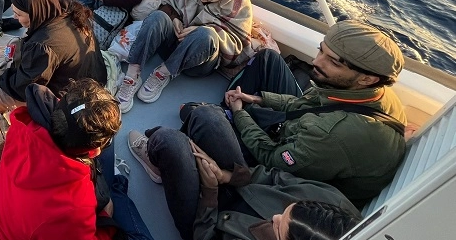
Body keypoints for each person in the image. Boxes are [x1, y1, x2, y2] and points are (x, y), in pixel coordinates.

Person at [128, 20, 407, 210]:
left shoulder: (335, 135)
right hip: (303, 136)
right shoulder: (370, 94)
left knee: (202, 116)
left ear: (367, 78)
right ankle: (220, 119)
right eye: (321, 51)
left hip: (285, 182)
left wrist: (240, 115)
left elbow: (272, 161)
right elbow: (308, 104)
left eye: (332, 62)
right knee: (268, 59)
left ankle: (167, 156)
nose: (316, 62)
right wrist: (258, 98)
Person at [0, 78, 163, 240]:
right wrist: (106, 218)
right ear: (94, 152)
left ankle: (112, 187)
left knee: (104, 142)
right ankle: (116, 191)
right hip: (51, 237)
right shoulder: (71, 210)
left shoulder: (23, 127)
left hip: (25, 220)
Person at [133, 128, 361, 240]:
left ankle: (164, 160)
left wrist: (210, 193)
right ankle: (182, 153)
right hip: (240, 186)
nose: (275, 216)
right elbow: (275, 177)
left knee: (169, 141)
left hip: (206, 221)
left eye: (279, 226)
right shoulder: (334, 203)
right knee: (209, 117)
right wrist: (226, 176)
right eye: (285, 211)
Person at [117, 0, 253, 112]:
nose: (201, 0)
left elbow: (236, 47)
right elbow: (166, 3)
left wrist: (205, 29)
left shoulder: (240, 6)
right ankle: (133, 74)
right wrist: (174, 18)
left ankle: (162, 73)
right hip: (173, 44)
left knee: (206, 34)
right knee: (158, 16)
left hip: (198, 62)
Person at [0, 0, 107, 112]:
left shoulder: (43, 46)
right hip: (90, 76)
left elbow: (23, 88)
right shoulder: (67, 8)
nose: (14, 17)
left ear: (35, 12)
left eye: (18, 14)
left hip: (69, 96)